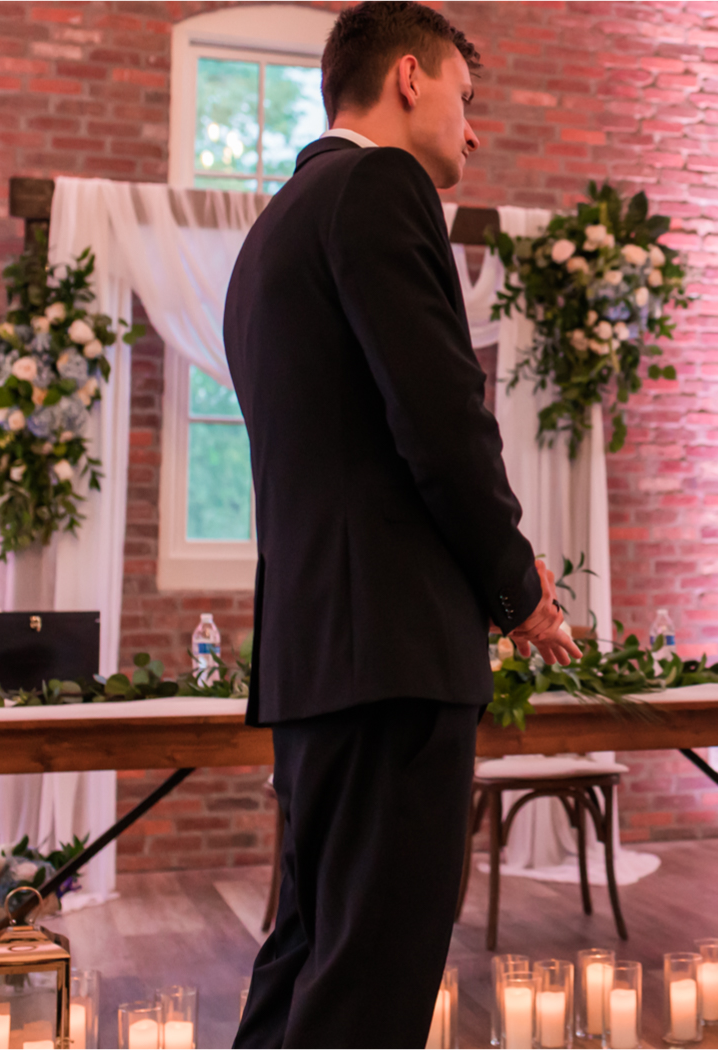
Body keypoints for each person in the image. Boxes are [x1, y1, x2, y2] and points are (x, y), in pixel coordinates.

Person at [224, 4, 580, 1046]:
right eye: (467, 103)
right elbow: (439, 419)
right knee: (372, 979)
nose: (474, 133)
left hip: (317, 653)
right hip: (390, 651)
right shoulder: (381, 186)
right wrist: (517, 588)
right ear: (411, 78)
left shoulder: (279, 221)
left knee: (308, 959)